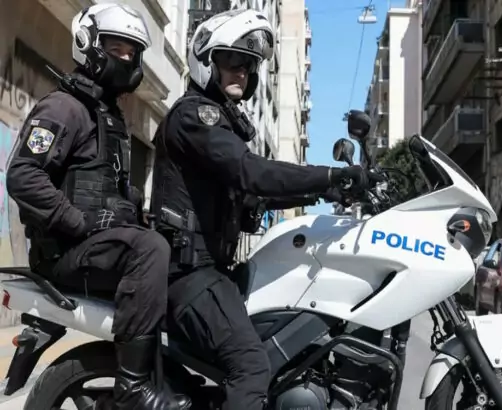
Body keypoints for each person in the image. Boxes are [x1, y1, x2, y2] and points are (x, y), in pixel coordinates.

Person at [150, 9, 380, 410]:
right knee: (252, 366)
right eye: (231, 60)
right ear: (206, 62)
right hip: (189, 276)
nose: (241, 71)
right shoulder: (195, 117)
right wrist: (330, 175)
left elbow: (255, 195)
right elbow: (251, 173)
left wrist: (327, 192)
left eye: (249, 64)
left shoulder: (219, 124)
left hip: (212, 271)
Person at [5, 4, 190, 410]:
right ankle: (133, 385)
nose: (125, 58)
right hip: (65, 252)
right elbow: (23, 176)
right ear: (88, 44)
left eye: (131, 51)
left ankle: (169, 377)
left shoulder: (106, 116)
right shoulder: (64, 108)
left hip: (91, 248)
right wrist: (76, 221)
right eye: (115, 48)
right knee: (150, 250)